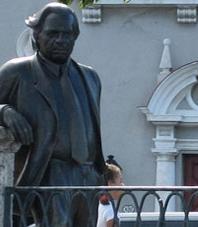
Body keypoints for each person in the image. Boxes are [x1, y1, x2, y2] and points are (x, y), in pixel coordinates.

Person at [0, 2, 106, 227]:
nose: (61, 40)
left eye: (67, 35)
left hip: (88, 174)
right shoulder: (18, 72)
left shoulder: (90, 77)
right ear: (37, 36)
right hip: (49, 171)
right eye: (53, 34)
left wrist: (99, 175)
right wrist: (5, 111)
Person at [96, 162, 124, 227]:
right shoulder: (111, 212)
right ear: (110, 184)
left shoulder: (99, 204)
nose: (123, 185)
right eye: (120, 181)